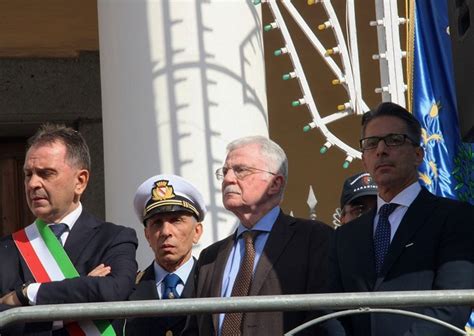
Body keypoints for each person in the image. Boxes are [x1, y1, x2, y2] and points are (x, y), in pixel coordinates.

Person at [326, 102, 474, 335]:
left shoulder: (454, 218)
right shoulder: (344, 236)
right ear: (365, 160)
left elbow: (452, 304)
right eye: (371, 143)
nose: (381, 150)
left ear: (418, 155)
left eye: (394, 140)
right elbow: (331, 311)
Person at [183, 135, 333, 335]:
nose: (228, 179)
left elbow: (323, 320)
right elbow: (195, 328)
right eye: (225, 171)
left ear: (275, 183)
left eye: (241, 170)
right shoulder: (210, 257)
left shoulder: (313, 240)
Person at [0, 124, 138, 335]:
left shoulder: (114, 238)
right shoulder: (6, 249)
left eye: (46, 173)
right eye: (28, 174)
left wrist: (26, 294)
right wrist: (83, 296)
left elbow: (112, 292)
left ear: (80, 181)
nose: (33, 184)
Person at [120, 174, 206, 336]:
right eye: (157, 223)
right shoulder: (129, 288)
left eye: (176, 220)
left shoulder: (212, 285)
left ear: (197, 232)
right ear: (147, 235)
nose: (166, 232)